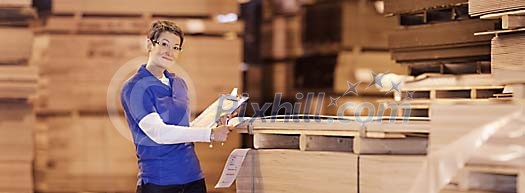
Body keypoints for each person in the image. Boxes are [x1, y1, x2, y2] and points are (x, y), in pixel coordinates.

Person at [120, 20, 233, 193]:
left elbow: (183, 128)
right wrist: (209, 135)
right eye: (164, 44)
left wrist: (215, 122)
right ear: (149, 44)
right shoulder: (135, 87)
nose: (169, 52)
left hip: (193, 177)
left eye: (175, 47)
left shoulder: (179, 83)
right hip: (159, 181)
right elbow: (159, 133)